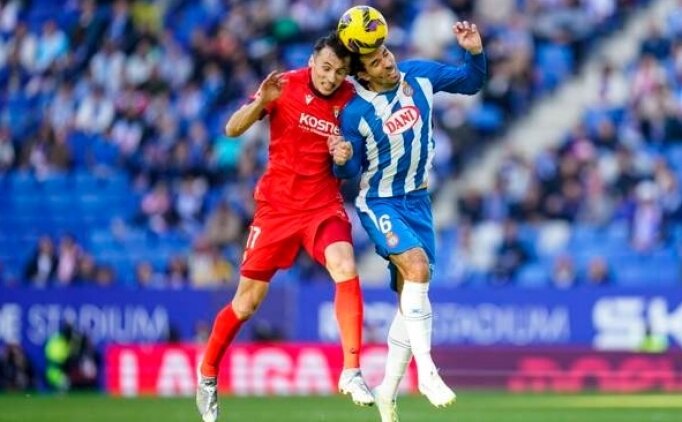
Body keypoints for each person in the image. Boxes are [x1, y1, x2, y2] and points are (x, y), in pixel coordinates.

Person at [195, 32, 374, 422]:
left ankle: (352, 371)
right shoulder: (283, 85)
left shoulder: (351, 103)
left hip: (321, 206)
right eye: (326, 68)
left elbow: (352, 165)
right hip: (276, 208)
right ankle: (207, 375)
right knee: (246, 303)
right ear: (313, 60)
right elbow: (231, 129)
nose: (330, 77)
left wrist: (345, 156)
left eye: (339, 72)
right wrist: (261, 102)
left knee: (345, 265)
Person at [331, 20, 486, 422]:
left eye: (386, 53)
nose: (388, 62)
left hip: (419, 201)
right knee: (416, 267)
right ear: (362, 73)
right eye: (377, 61)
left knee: (410, 295)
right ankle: (428, 373)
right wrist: (342, 160)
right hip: (380, 202)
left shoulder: (419, 75)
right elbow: (350, 175)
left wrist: (474, 51)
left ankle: (387, 392)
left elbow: (471, 82)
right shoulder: (356, 112)